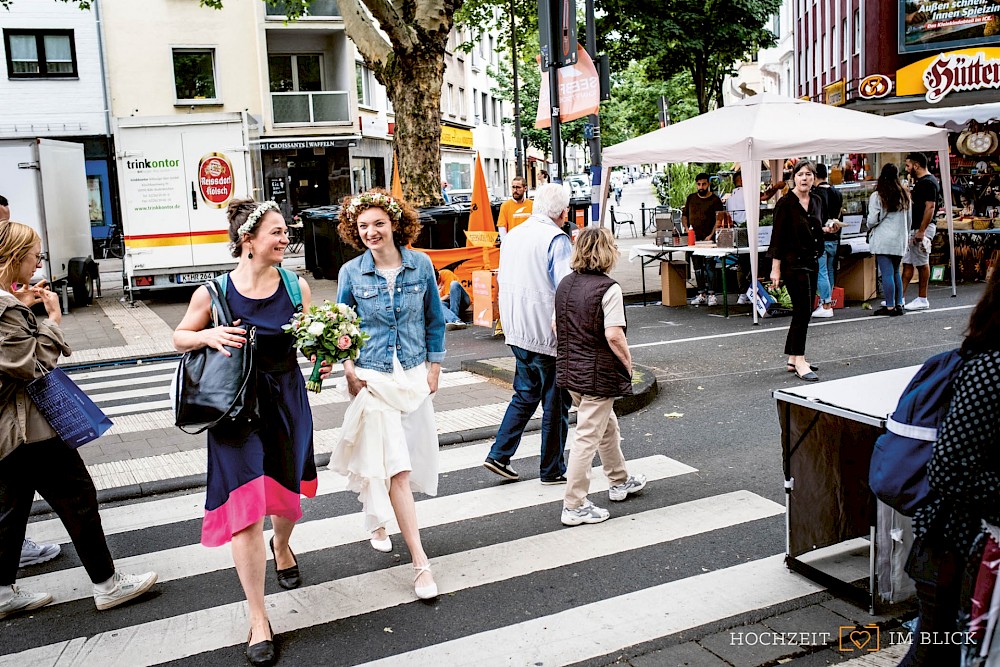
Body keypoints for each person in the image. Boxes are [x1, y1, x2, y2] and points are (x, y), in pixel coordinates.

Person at [173, 199, 318, 666]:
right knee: (245, 512)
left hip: (285, 405)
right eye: (276, 232)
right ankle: (258, 616)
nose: (285, 239)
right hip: (234, 411)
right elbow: (179, 336)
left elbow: (311, 339)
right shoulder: (212, 293)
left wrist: (328, 351)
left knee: (285, 494)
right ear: (248, 241)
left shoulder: (297, 287)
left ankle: (282, 545)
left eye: (285, 231)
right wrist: (207, 336)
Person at [0, 221, 157, 620]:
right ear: (15, 257)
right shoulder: (2, 308)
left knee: (11, 509)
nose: (39, 262)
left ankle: (2, 592)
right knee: (78, 499)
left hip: (8, 431)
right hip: (28, 429)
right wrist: (52, 320)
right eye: (34, 254)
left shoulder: (7, 303)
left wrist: (27, 310)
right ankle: (107, 584)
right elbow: (31, 364)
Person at [331, 188, 445, 601]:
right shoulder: (351, 273)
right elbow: (340, 328)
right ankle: (420, 563)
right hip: (372, 379)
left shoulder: (422, 266)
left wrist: (435, 368)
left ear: (395, 223)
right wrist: (347, 371)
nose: (371, 232)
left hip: (412, 374)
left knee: (406, 459)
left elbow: (435, 319)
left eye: (378, 223)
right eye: (362, 226)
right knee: (394, 466)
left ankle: (376, 519)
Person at [899, 266, 1000, 666]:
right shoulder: (990, 369)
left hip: (973, 549)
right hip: (954, 547)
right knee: (934, 655)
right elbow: (949, 469)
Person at [554, 227, 647, 526]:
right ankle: (574, 504)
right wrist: (628, 366)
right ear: (607, 252)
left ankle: (619, 480)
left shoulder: (565, 285)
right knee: (586, 437)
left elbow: (556, 328)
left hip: (571, 372)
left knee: (606, 427)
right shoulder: (609, 289)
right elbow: (614, 335)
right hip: (598, 374)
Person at [483, 183, 573, 484]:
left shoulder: (515, 234)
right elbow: (565, 288)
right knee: (555, 403)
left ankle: (500, 453)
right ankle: (552, 469)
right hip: (545, 332)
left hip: (516, 328)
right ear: (563, 212)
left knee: (525, 393)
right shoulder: (556, 239)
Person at [768, 161, 824, 382]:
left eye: (808, 174)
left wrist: (828, 229)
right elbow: (777, 238)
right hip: (793, 263)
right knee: (801, 311)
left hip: (812, 260)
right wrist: (775, 268)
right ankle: (800, 359)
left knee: (806, 310)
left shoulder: (817, 200)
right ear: (793, 178)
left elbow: (816, 227)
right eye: (800, 174)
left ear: (813, 178)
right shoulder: (785, 204)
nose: (804, 178)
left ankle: (793, 357)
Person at [866, 164, 911, 317]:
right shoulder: (904, 194)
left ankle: (890, 306)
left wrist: (868, 226)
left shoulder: (878, 195)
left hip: (884, 239)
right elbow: (909, 220)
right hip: (900, 239)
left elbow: (872, 219)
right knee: (896, 271)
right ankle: (899, 303)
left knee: (886, 273)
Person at [902, 152, 939, 311]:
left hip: (921, 228)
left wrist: (922, 231)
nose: (906, 168)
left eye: (908, 165)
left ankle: (922, 298)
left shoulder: (928, 182)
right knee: (908, 263)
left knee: (922, 262)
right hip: (914, 227)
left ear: (916, 165)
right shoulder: (922, 182)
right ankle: (900, 297)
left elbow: (930, 207)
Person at [682, 172, 725, 306]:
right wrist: (686, 229)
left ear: (708, 184)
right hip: (693, 239)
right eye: (699, 184)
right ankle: (701, 293)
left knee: (710, 267)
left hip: (709, 240)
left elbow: (719, 219)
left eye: (704, 184)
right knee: (698, 268)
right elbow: (685, 216)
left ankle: (712, 295)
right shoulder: (691, 198)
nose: (701, 187)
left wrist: (711, 235)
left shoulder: (715, 200)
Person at [811, 163, 844, 319]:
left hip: (822, 237)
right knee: (830, 270)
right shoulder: (837, 192)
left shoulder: (816, 194)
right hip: (835, 237)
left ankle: (825, 304)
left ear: (815, 175)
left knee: (821, 271)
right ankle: (829, 302)